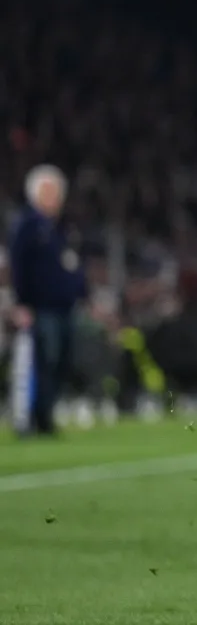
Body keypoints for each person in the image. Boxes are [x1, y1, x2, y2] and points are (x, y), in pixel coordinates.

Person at [9, 165, 87, 438]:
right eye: (48, 191)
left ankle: (47, 415)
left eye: (56, 192)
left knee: (62, 361)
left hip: (64, 307)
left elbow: (72, 265)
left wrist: (80, 292)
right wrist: (21, 303)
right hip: (40, 307)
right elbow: (18, 266)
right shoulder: (27, 225)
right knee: (43, 362)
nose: (54, 197)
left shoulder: (60, 227)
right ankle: (34, 418)